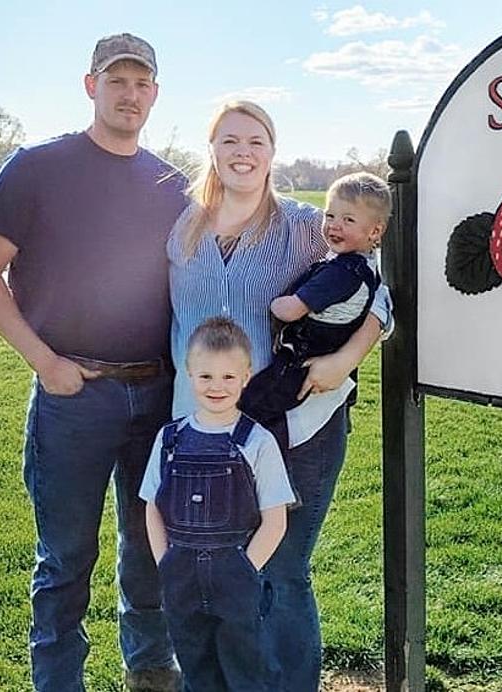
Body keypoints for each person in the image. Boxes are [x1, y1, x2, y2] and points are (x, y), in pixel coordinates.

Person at [0, 33, 187, 692]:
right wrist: (45, 361)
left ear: (155, 93)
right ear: (91, 86)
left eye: (142, 82)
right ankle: (58, 681)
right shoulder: (37, 168)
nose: (130, 93)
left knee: (148, 547)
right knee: (65, 559)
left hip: (156, 396)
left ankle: (150, 669)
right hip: (72, 396)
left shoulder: (170, 184)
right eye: (116, 80)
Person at [166, 100, 392, 691]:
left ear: (273, 153)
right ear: (211, 149)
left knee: (282, 570)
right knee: (220, 573)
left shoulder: (301, 227)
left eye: (257, 141)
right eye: (231, 140)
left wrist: (346, 358)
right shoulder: (181, 228)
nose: (244, 152)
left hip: (295, 427)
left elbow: (377, 290)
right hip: (205, 433)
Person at [140, 316, 295, 691]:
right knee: (196, 666)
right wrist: (166, 562)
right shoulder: (170, 439)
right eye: (206, 376)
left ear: (246, 376)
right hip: (182, 578)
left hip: (235, 578)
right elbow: (152, 508)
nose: (216, 387)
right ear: (189, 374)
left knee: (246, 668)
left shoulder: (256, 442)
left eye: (228, 377)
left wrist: (244, 568)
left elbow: (275, 520)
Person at [240, 172, 390, 438]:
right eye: (329, 216)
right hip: (317, 363)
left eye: (348, 219)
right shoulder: (363, 266)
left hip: (303, 362)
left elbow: (290, 310)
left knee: (254, 406)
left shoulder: (342, 273)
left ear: (375, 231)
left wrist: (272, 302)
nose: (334, 225)